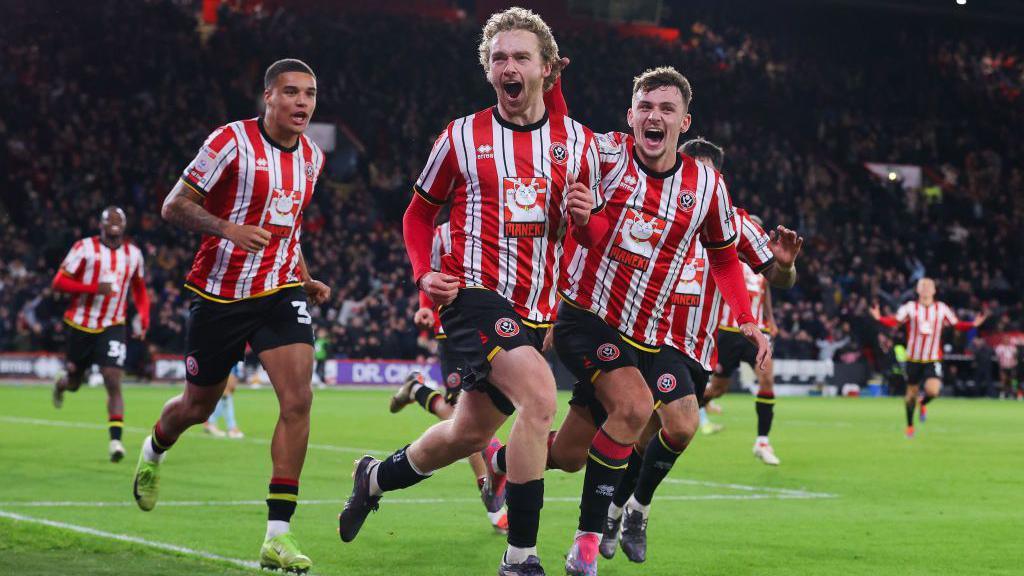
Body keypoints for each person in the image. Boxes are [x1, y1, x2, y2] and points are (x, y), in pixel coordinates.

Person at [337, 9, 605, 575]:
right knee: (540, 397)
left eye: (520, 57)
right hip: (473, 296)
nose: (509, 66)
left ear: (546, 69)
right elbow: (417, 215)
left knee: (466, 434)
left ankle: (374, 477)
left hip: (535, 308)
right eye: (499, 58)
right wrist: (421, 275)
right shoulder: (461, 136)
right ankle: (521, 557)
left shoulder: (578, 143)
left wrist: (587, 218)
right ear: (489, 69)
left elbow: (592, 235)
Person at [484, 69, 770, 576]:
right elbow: (560, 133)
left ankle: (503, 462)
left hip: (645, 335)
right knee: (637, 407)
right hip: (585, 319)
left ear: (685, 121)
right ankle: (587, 545)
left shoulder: (706, 185)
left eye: (665, 108)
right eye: (645, 106)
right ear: (630, 115)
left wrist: (746, 318)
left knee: (571, 455)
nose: (654, 115)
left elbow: (725, 257)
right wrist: (550, 86)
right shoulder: (607, 154)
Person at [131, 58, 330, 573]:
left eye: (309, 93)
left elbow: (292, 227)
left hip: (280, 291)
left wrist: (304, 277)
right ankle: (154, 449)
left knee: (298, 399)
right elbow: (173, 206)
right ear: (268, 96)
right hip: (219, 296)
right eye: (291, 92)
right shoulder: (230, 143)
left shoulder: (311, 156)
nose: (302, 102)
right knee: (197, 408)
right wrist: (227, 228)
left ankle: (277, 535)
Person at [598, 137, 802, 561]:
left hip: (700, 348)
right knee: (684, 424)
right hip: (651, 338)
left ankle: (615, 510)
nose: (694, 178)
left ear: (718, 178)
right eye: (689, 167)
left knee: (650, 436)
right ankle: (638, 509)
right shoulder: (653, 207)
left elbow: (779, 279)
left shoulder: (736, 223)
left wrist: (784, 265)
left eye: (705, 172)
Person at [389, 221, 509, 533]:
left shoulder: (494, 220)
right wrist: (425, 307)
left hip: (491, 327)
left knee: (473, 412)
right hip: (453, 330)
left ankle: (417, 390)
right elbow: (428, 273)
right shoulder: (441, 232)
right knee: (463, 415)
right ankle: (490, 496)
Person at [51, 206, 150, 463]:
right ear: (101, 225)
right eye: (110, 220)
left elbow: (139, 288)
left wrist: (144, 316)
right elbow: (59, 282)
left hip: (113, 324)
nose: (115, 224)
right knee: (75, 381)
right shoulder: (84, 248)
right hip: (80, 325)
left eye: (120, 220)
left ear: (125, 225)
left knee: (113, 378)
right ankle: (62, 385)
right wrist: (94, 288)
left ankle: (116, 441)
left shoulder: (133, 254)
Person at [704, 209, 790, 465]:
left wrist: (771, 320)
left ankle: (762, 441)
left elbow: (766, 296)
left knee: (766, 379)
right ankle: (684, 409)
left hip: (758, 332)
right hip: (729, 332)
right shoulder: (725, 257)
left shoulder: (763, 268)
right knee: (718, 389)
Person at [871, 277, 986, 437]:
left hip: (933, 358)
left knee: (933, 391)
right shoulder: (910, 308)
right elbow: (896, 321)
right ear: (917, 290)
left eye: (928, 286)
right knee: (910, 394)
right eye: (922, 286)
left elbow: (956, 324)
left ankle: (923, 402)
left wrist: (972, 325)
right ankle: (910, 426)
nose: (925, 289)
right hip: (914, 358)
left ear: (934, 290)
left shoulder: (941, 308)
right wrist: (880, 318)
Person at [204, 362, 244, 438]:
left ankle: (210, 422)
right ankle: (231, 427)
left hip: (235, 356)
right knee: (226, 391)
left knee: (231, 389)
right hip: (224, 354)